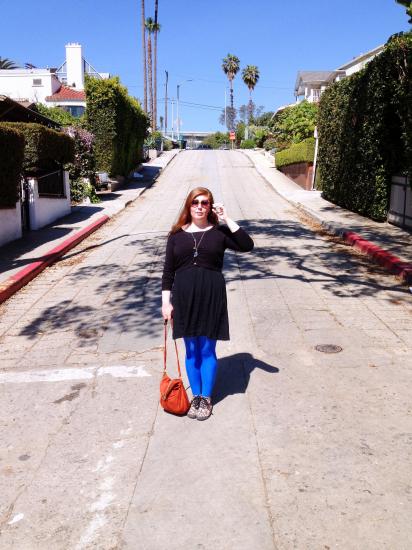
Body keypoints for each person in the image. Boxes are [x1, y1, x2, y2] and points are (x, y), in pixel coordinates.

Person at [161, 187, 254, 421]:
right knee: (191, 350)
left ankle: (206, 397)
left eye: (205, 203)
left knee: (207, 349)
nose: (200, 207)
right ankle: (196, 397)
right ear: (189, 206)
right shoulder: (176, 235)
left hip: (212, 296)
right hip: (184, 299)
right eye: (195, 202)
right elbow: (168, 273)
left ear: (210, 207)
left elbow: (247, 245)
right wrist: (166, 303)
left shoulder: (219, 232)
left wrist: (226, 218)